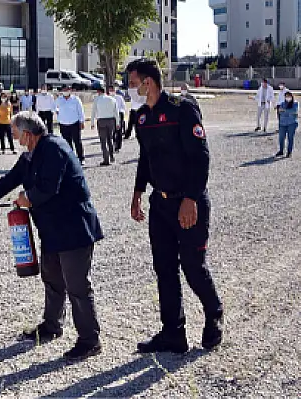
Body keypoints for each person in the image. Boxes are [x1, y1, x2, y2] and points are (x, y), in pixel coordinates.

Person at [0, 111, 104, 360]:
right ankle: (51, 326)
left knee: (77, 285)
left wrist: (28, 198)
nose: (14, 138)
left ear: (27, 134)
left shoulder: (54, 148)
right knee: (53, 280)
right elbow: (9, 181)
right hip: (52, 230)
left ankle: (90, 340)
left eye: (15, 134)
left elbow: (49, 187)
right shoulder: (30, 154)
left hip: (74, 229)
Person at [127, 58, 223, 354]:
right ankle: (173, 333)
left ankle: (214, 314)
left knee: (193, 266)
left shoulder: (182, 109)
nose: (129, 89)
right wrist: (138, 191)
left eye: (132, 83)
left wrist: (191, 199)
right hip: (161, 204)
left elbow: (201, 158)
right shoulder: (142, 117)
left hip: (188, 201)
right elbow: (146, 158)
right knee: (164, 268)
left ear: (148, 82)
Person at [55, 86, 86, 164]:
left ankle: (81, 158)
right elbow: (54, 108)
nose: (65, 91)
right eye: (64, 90)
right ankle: (71, 159)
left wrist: (82, 121)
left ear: (70, 90)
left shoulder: (76, 99)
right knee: (67, 143)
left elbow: (80, 110)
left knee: (77, 141)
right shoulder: (59, 100)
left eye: (67, 90)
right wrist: (57, 113)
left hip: (74, 123)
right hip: (63, 124)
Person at [91, 87, 119, 166]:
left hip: (101, 121)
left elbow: (93, 111)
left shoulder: (97, 99)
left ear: (98, 92)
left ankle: (106, 159)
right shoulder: (112, 99)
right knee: (110, 139)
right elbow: (116, 111)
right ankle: (112, 156)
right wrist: (117, 123)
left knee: (103, 141)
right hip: (111, 120)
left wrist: (92, 123)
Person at [277, 91, 297, 158]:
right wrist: (287, 112)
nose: (287, 98)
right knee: (281, 138)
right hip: (282, 123)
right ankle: (281, 151)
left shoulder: (295, 103)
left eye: (289, 96)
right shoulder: (282, 104)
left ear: (291, 97)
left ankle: (289, 152)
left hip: (292, 124)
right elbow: (280, 112)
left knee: (290, 138)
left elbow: (294, 111)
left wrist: (285, 111)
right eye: (286, 96)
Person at [110, 85, 127, 153]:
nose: (111, 91)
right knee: (112, 131)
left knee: (118, 130)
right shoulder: (108, 98)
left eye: (112, 90)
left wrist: (120, 113)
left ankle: (118, 146)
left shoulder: (119, 97)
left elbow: (123, 106)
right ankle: (114, 143)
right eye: (110, 90)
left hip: (119, 113)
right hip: (112, 115)